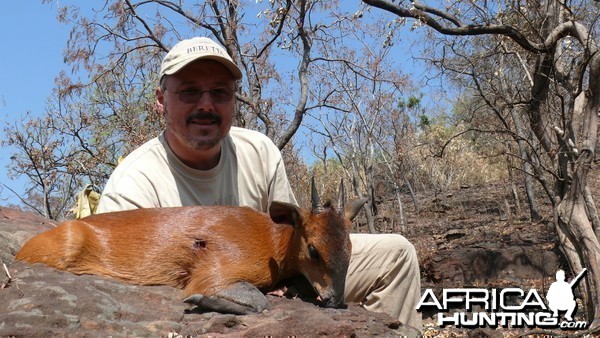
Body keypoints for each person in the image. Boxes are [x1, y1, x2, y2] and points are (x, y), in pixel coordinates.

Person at [96, 36, 422, 331]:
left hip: (277, 277)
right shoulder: (134, 183)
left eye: (220, 92)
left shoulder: (259, 150)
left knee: (396, 254)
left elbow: (295, 242)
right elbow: (119, 288)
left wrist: (284, 281)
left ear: (233, 99)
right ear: (161, 100)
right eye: (189, 91)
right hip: (203, 291)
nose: (206, 104)